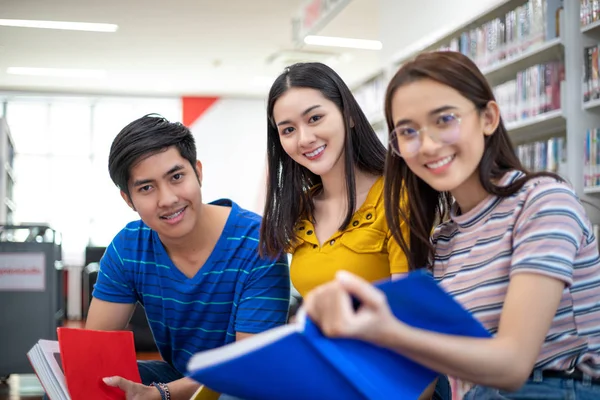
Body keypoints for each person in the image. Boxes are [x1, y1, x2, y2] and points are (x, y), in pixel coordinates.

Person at [303, 50, 600, 400]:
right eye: (408, 131)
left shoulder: (543, 201)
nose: (427, 145)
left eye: (444, 119)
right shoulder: (444, 239)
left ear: (488, 117)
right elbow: (437, 377)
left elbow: (513, 364)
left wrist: (387, 330)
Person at [258, 62, 450, 400]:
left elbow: (417, 328)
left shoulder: (398, 196)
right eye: (287, 130)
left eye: (315, 118)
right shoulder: (299, 209)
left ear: (348, 114)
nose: (304, 138)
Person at [85, 114, 290, 400]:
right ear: (128, 200)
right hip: (181, 379)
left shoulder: (258, 241)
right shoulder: (128, 247)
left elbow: (249, 366)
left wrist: (161, 394)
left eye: (176, 177)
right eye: (146, 188)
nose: (167, 199)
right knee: (87, 383)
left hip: (249, 385)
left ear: (198, 172)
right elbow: (94, 350)